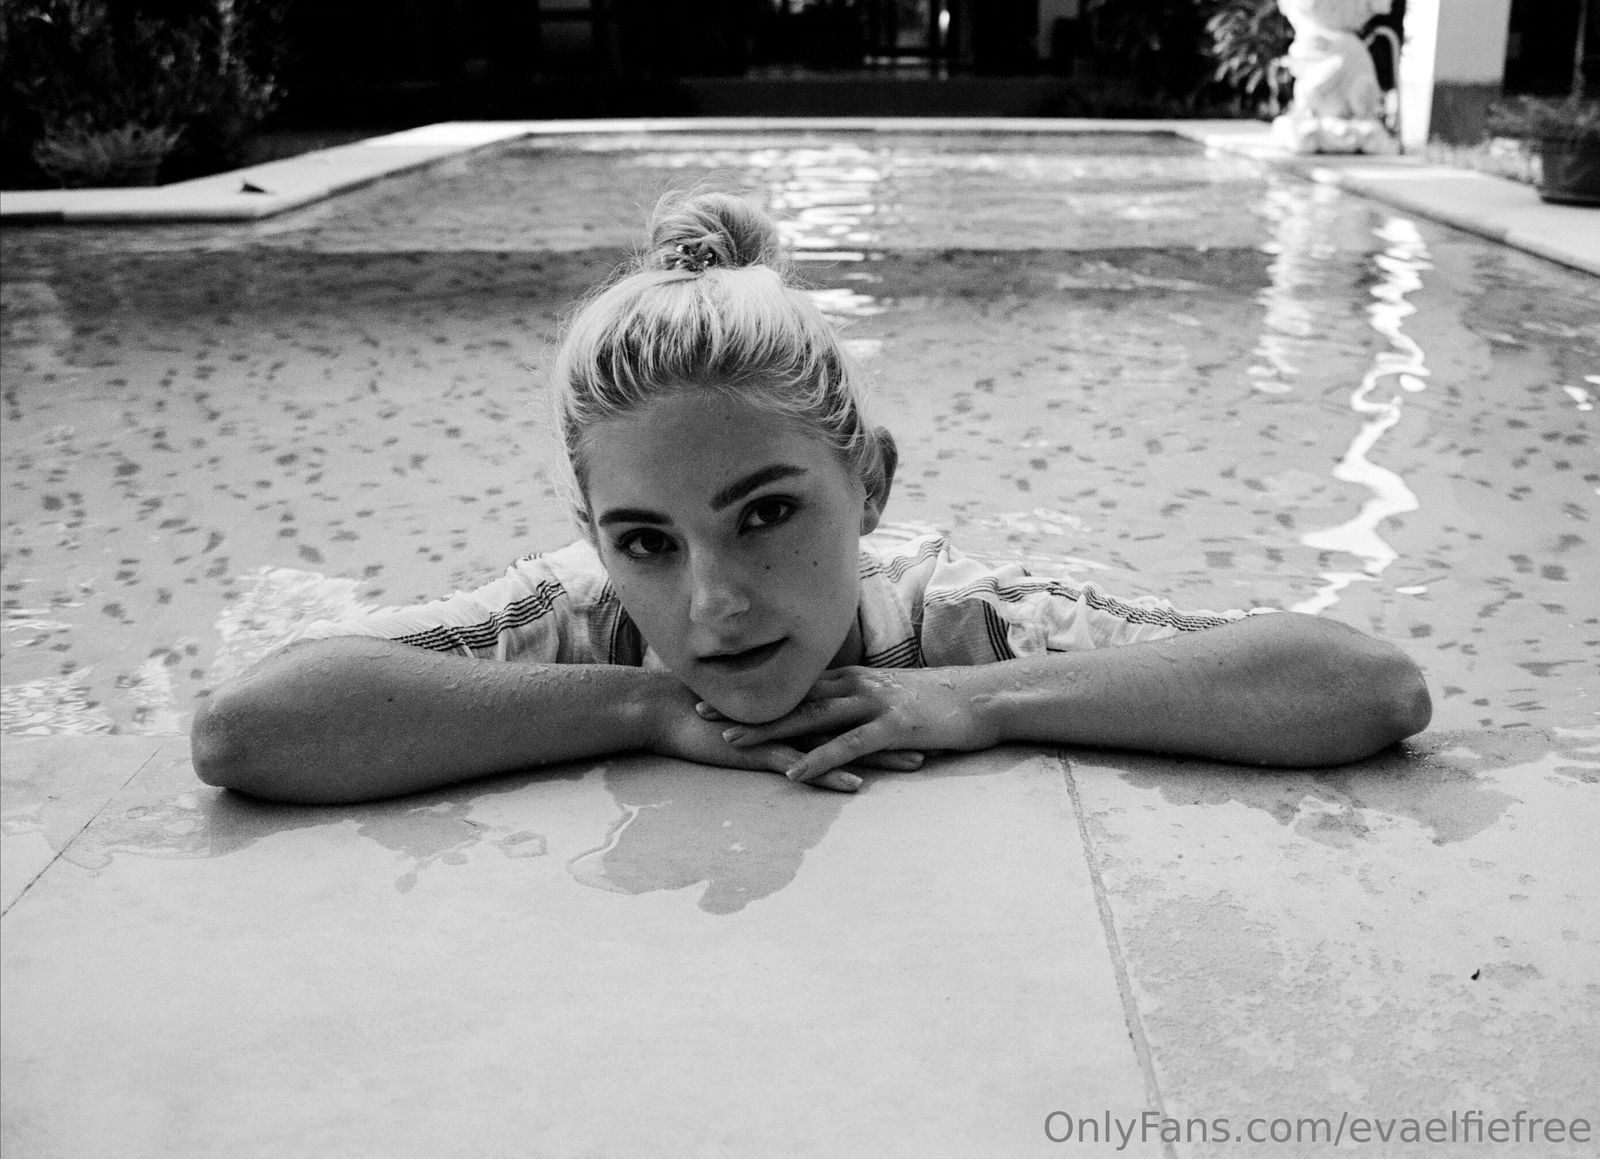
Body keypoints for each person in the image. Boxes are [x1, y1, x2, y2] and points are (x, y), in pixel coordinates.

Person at [191, 192, 1432, 804]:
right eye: (646, 541)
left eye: (765, 514)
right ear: (595, 542)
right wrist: (638, 705)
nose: (713, 602)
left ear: (869, 483)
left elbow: (1363, 685)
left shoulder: (957, 619)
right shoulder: (576, 620)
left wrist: (974, 702)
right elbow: (248, 729)